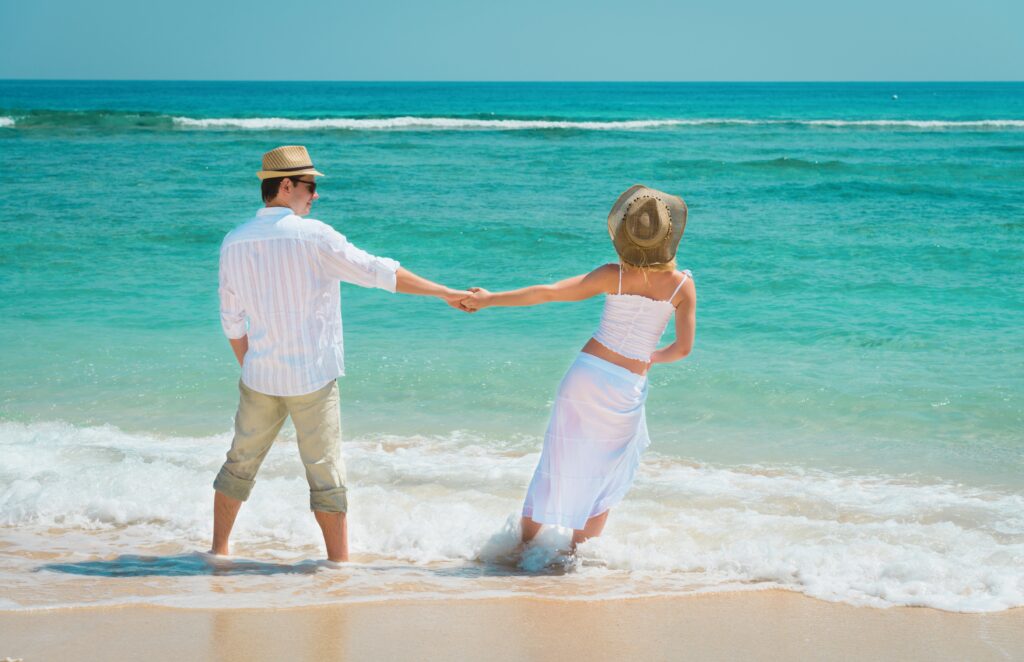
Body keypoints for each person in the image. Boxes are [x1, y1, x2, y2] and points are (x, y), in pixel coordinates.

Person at [211, 145, 470, 562]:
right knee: (326, 474)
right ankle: (338, 566)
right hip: (312, 378)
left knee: (238, 464)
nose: (316, 195)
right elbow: (377, 271)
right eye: (310, 186)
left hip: (259, 376)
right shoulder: (315, 236)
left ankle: (218, 552)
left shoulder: (234, 241)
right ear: (287, 186)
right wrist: (444, 292)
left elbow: (231, 319)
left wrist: (252, 365)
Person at [464, 185, 696, 548]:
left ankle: (518, 550)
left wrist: (490, 299)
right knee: (604, 472)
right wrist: (649, 357)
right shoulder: (682, 286)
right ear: (669, 236)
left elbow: (549, 292)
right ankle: (573, 556)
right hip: (625, 388)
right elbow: (682, 350)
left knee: (556, 465)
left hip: (585, 376)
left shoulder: (612, 275)